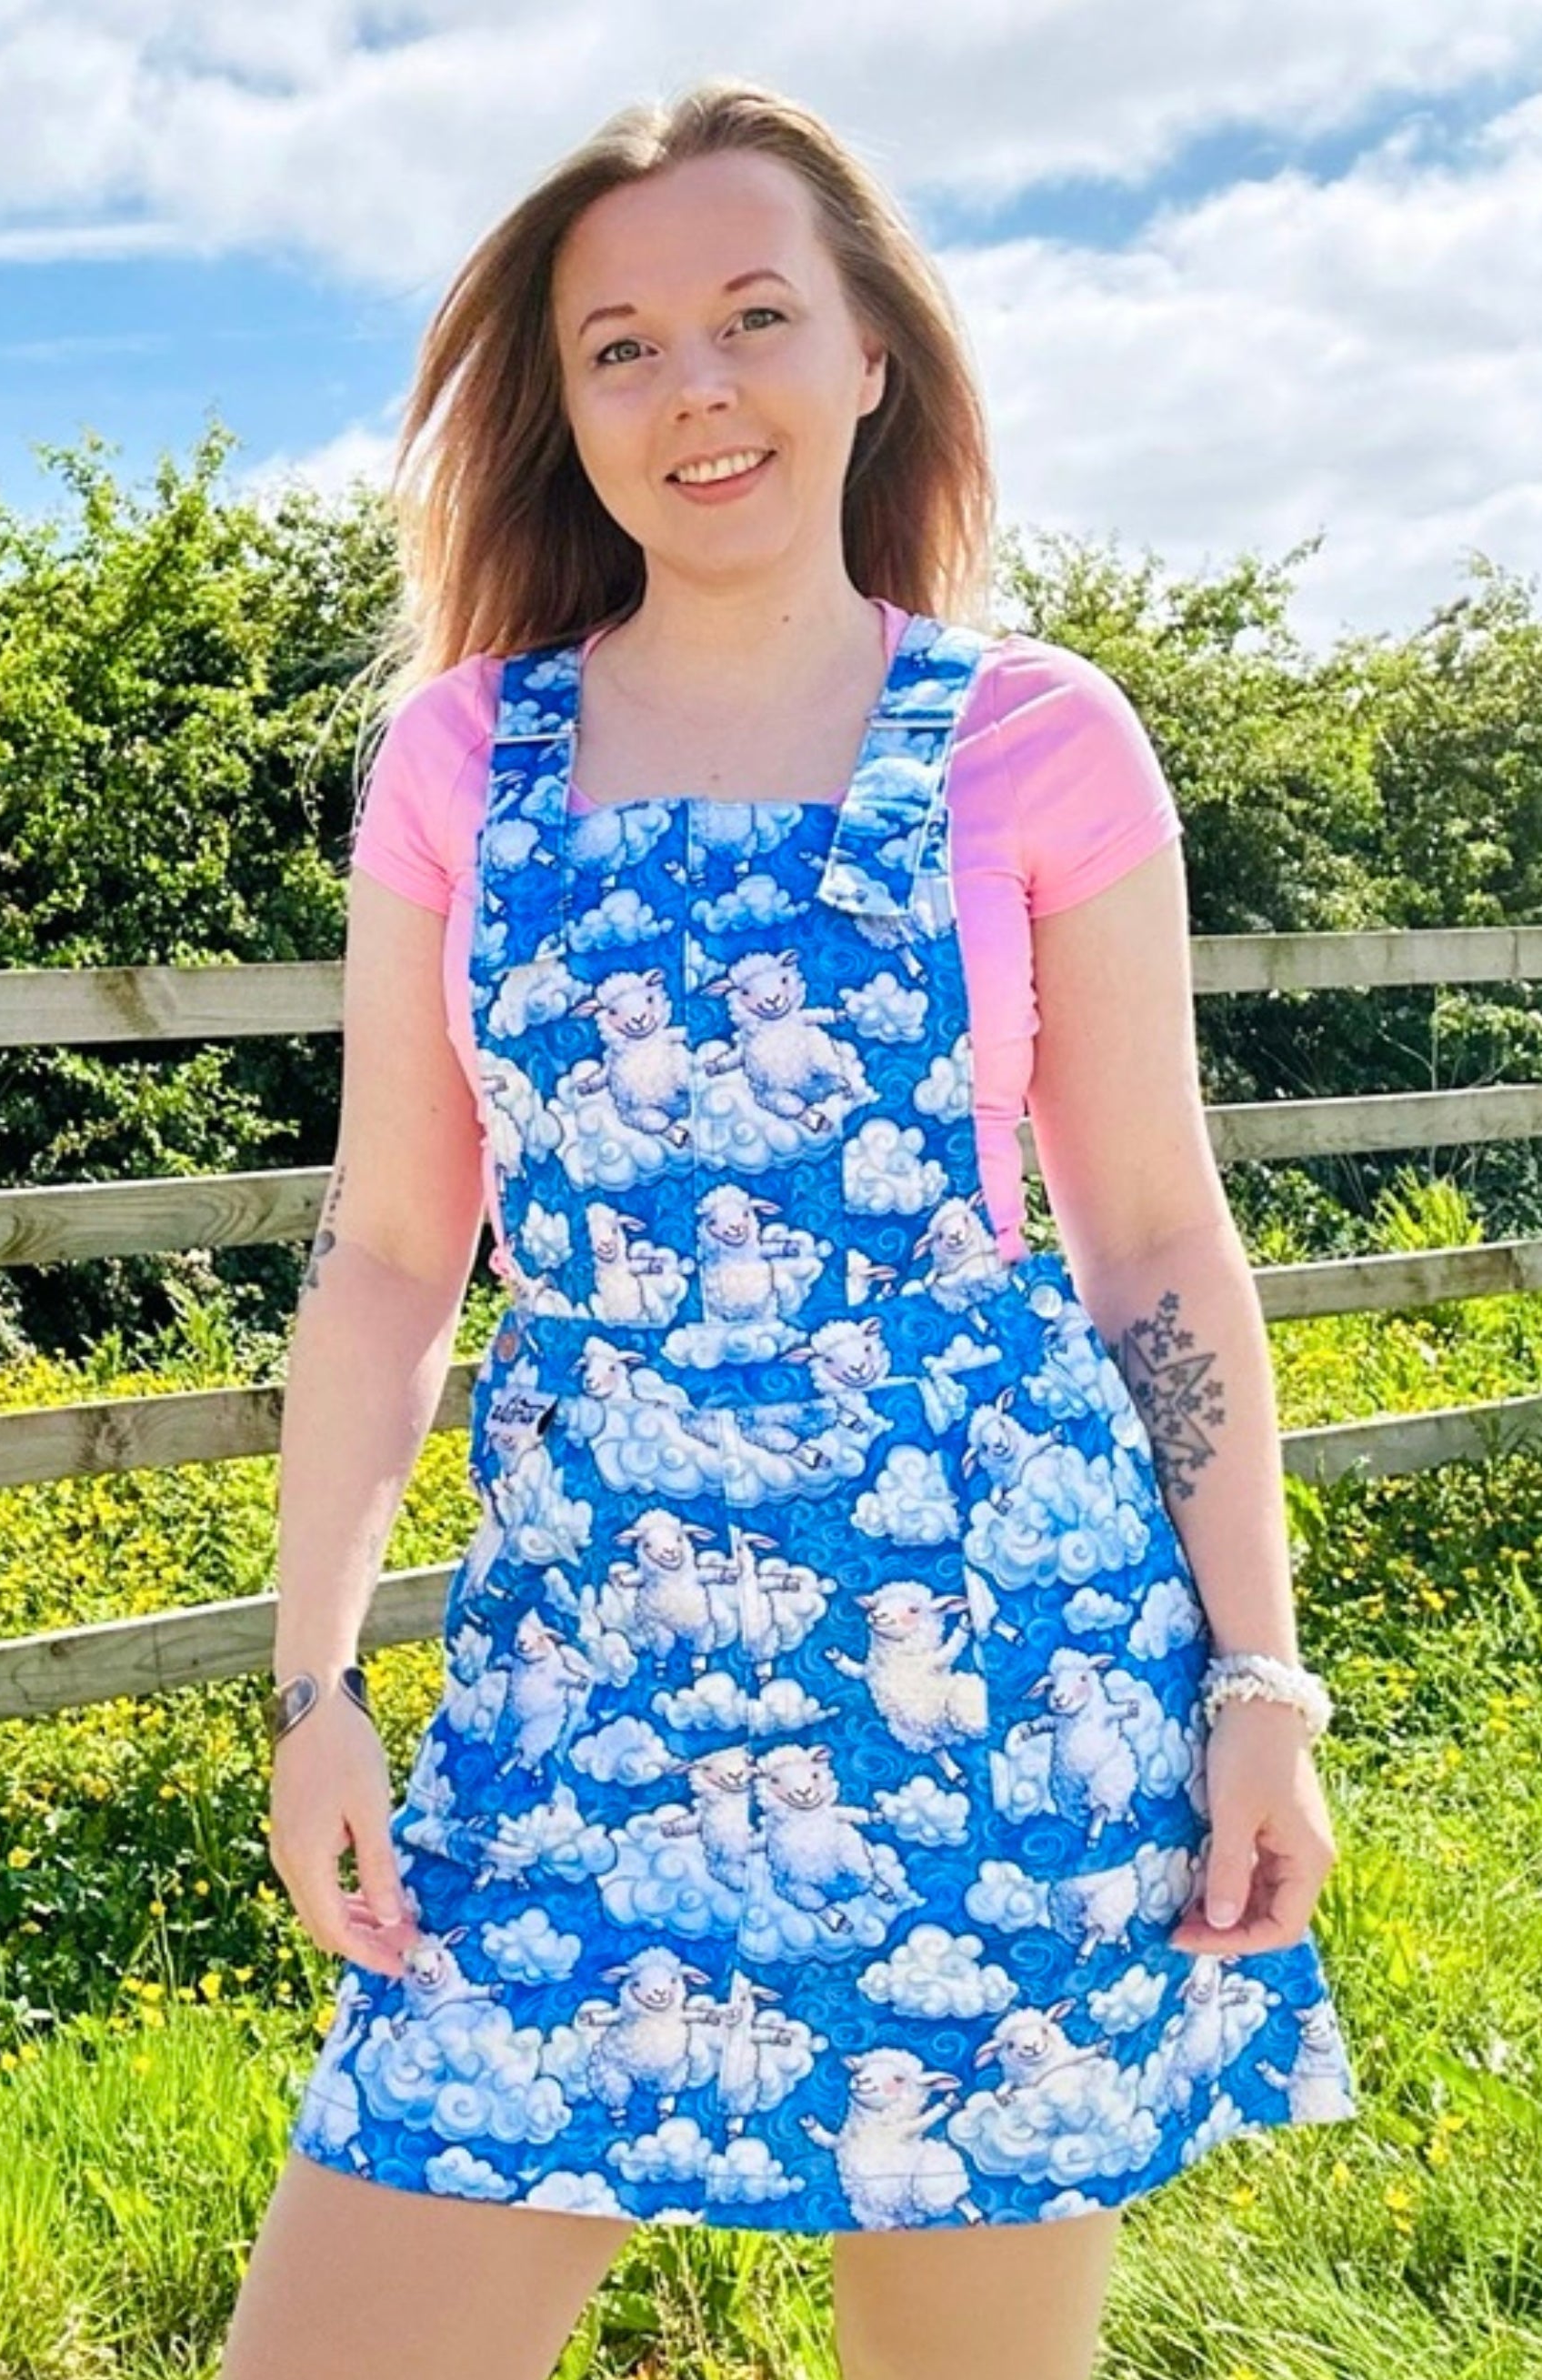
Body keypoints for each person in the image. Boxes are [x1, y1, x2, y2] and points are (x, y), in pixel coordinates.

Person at [219, 75, 1357, 2380]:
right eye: (619, 345)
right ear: (563, 408)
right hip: (574, 1682)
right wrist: (317, 1682)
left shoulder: (1039, 739)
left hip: (1005, 1687)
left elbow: (1149, 1239)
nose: (694, 386)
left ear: (871, 358)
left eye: (753, 314)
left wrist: (1257, 1679)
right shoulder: (457, 758)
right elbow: (387, 1255)